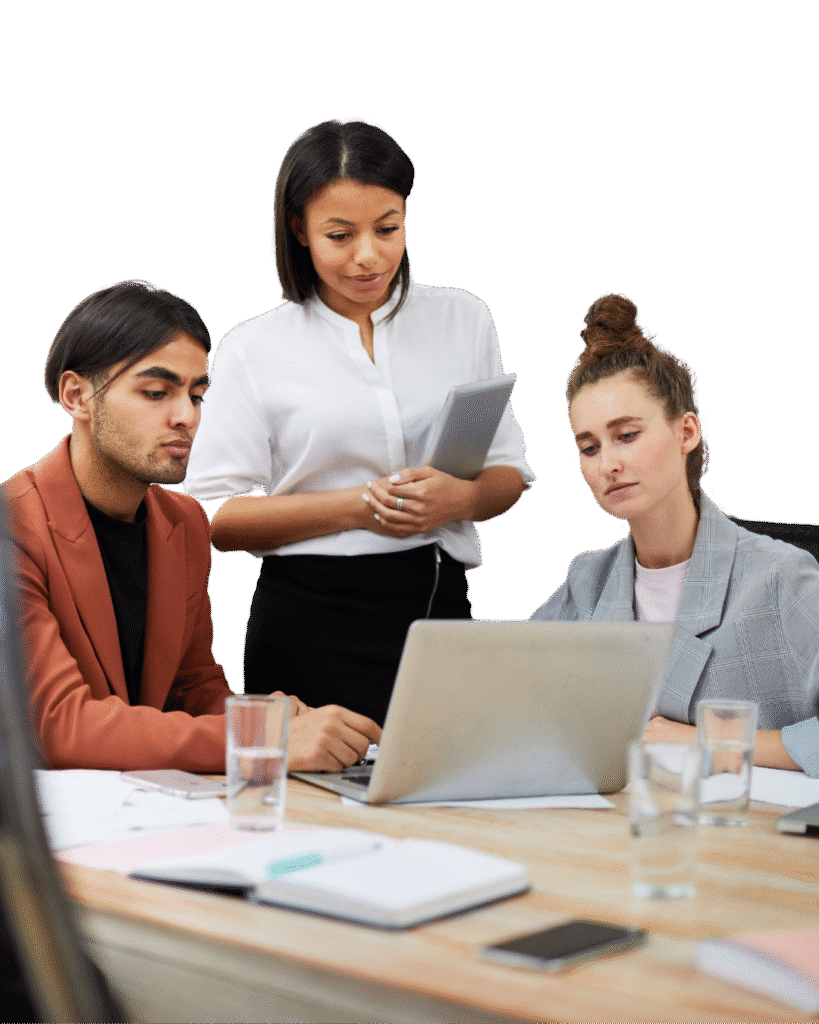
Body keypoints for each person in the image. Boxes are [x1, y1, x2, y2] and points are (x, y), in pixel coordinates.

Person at [184, 120, 534, 725]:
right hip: (308, 619)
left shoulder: (463, 318)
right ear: (299, 229)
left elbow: (509, 473)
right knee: (315, 809)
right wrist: (362, 506)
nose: (368, 255)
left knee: (452, 802)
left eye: (388, 228)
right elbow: (222, 519)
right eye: (340, 235)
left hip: (437, 607)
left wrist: (459, 499)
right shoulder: (254, 347)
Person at [4, 280, 381, 772]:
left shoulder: (182, 522)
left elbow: (193, 686)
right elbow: (58, 726)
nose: (187, 417)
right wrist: (267, 737)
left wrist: (276, 717)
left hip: (147, 811)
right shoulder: (14, 526)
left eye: (198, 395)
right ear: (77, 395)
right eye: (156, 392)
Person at [531, 292, 819, 776]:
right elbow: (504, 702)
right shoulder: (587, 583)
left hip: (752, 839)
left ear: (686, 432)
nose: (609, 464)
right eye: (589, 447)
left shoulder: (782, 578)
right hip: (613, 832)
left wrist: (710, 741)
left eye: (627, 435)